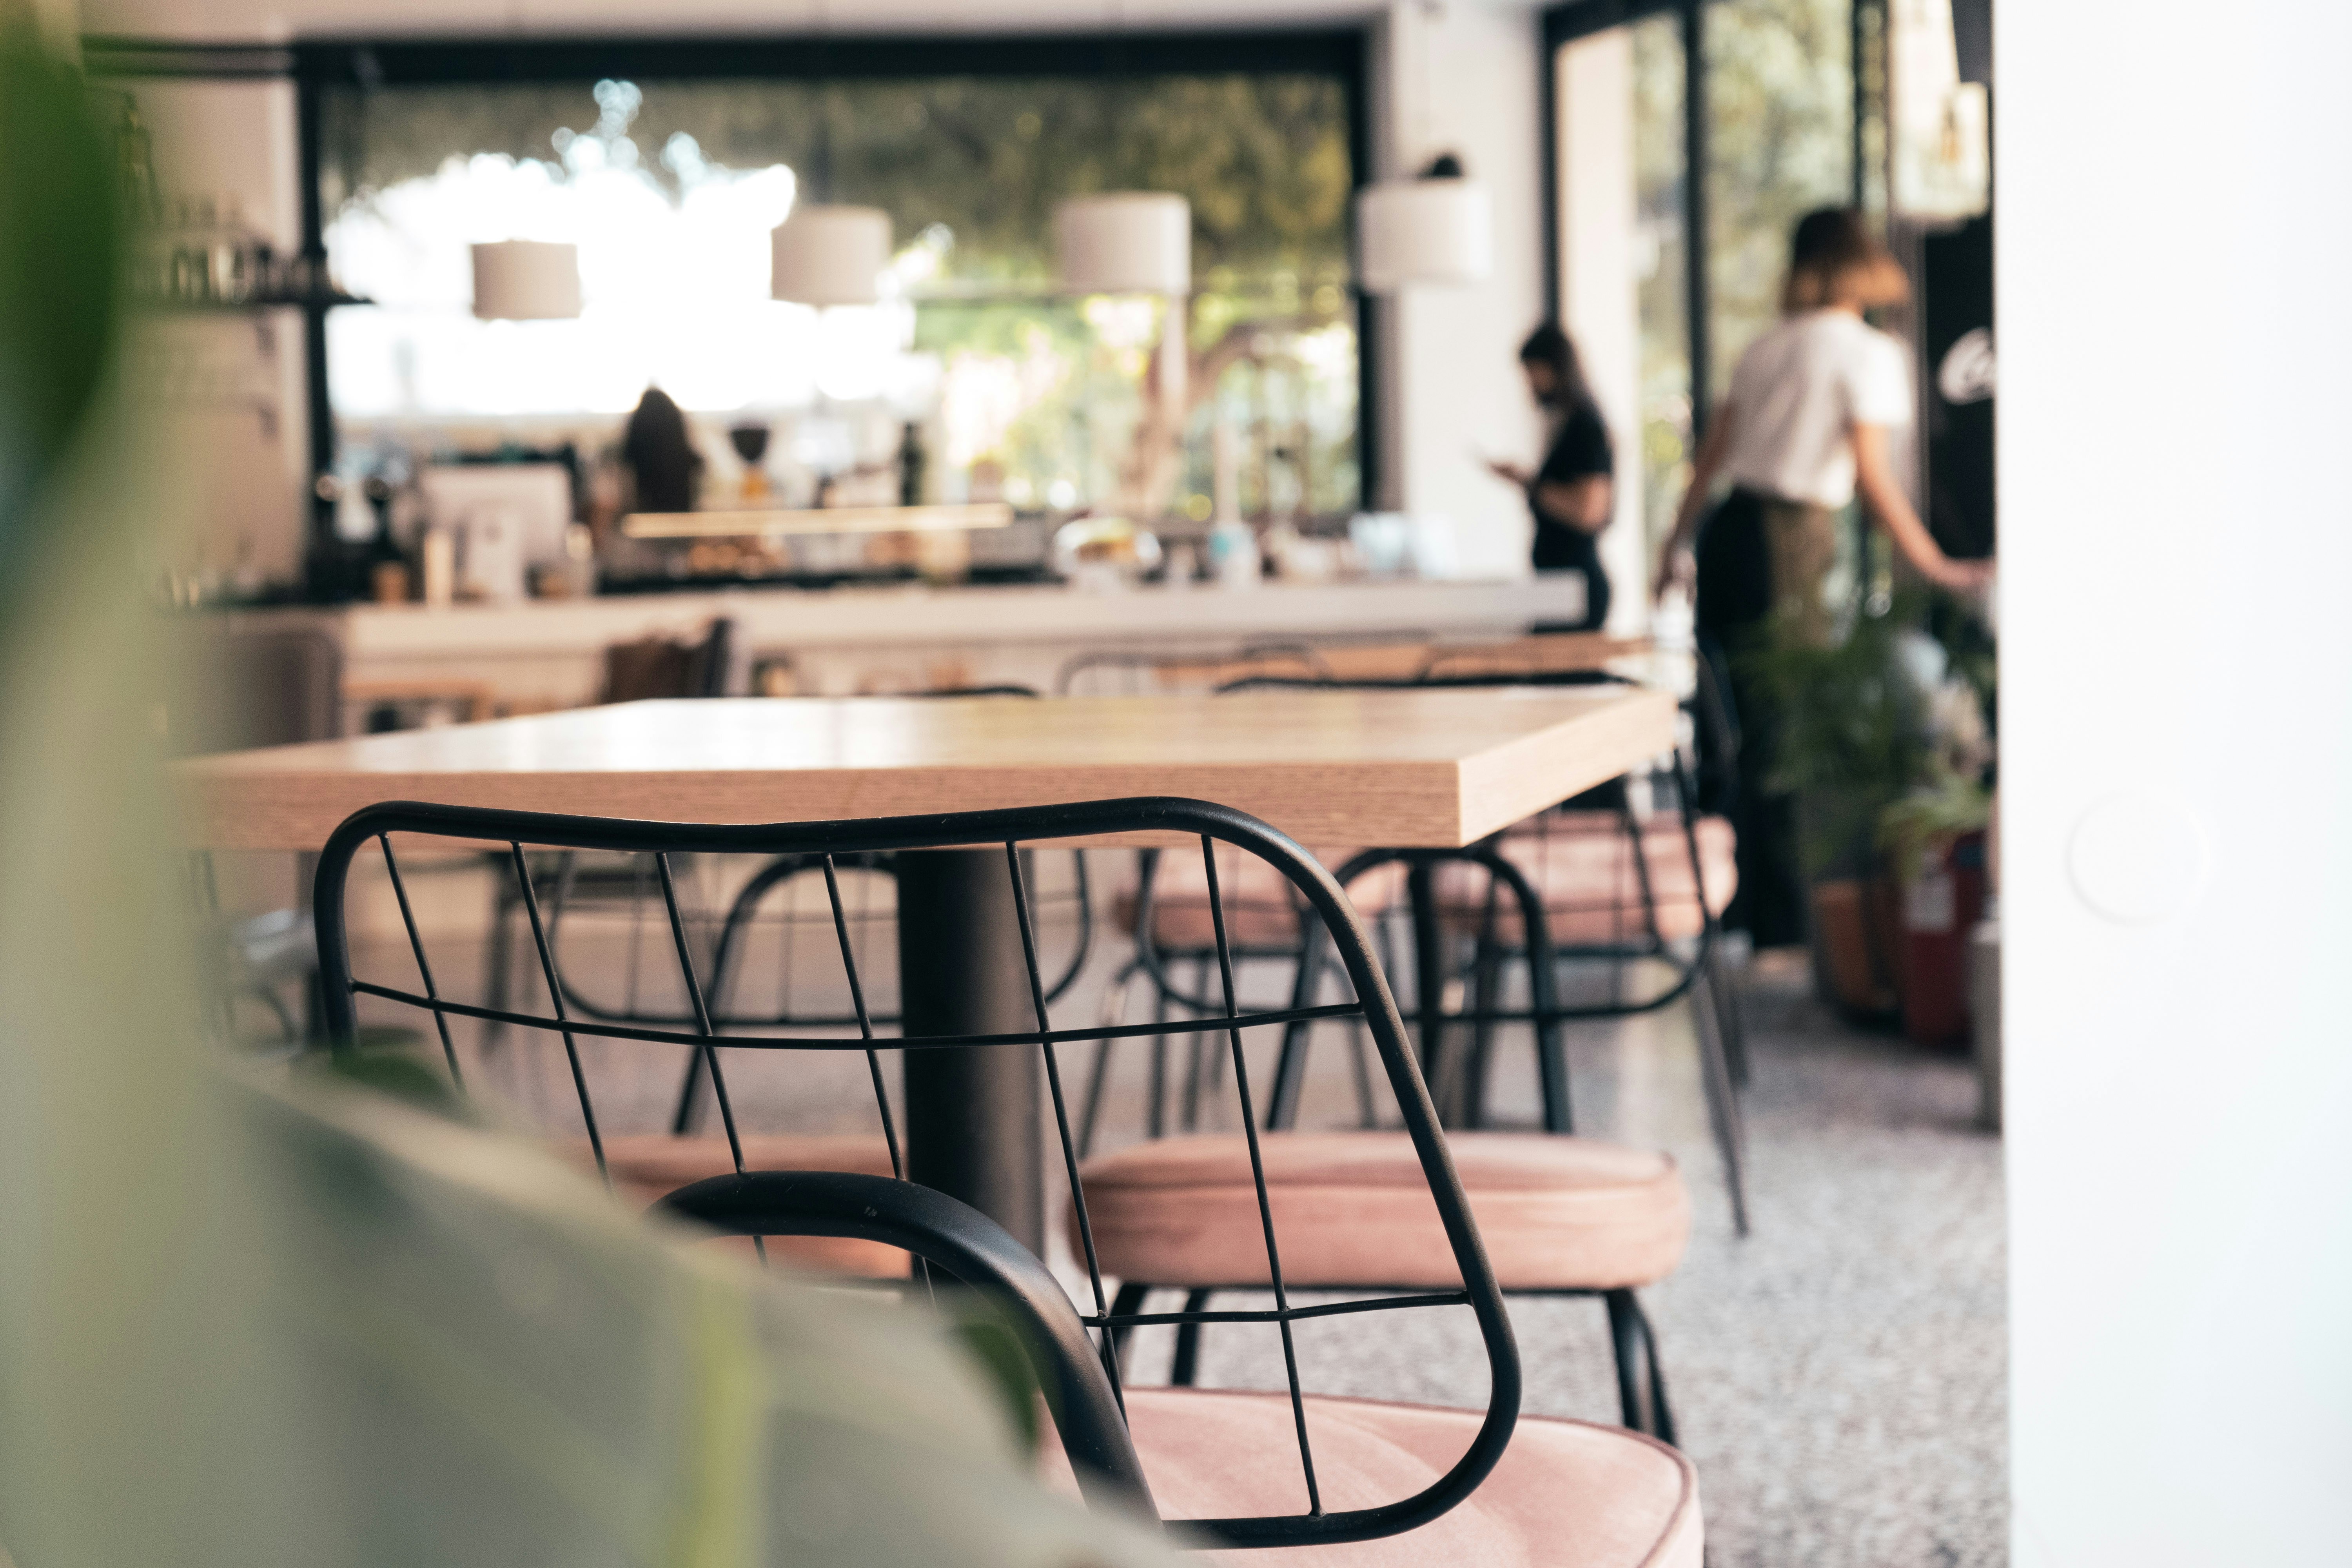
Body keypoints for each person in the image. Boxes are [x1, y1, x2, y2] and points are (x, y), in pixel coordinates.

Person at [1653, 207, 1994, 950]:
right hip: (1790, 538)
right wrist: (1936, 565)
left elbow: (1709, 462)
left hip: (1728, 535)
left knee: (1732, 722)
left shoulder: (1767, 346)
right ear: (1863, 258)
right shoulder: (1866, 352)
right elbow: (1873, 476)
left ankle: (1741, 913)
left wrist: (1670, 549)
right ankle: (1782, 930)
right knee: (1784, 729)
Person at [1488, 323, 1615, 632]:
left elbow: (1589, 510)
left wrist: (1530, 485)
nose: (1530, 384)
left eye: (1533, 372)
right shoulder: (1568, 425)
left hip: (1575, 589)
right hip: (1555, 588)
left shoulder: (1586, 428)